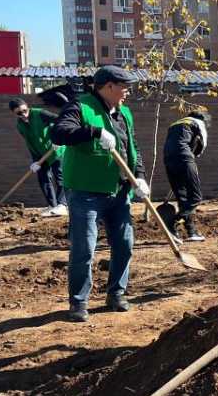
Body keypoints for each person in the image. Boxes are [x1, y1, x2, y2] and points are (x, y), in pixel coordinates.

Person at [50, 65, 148, 322]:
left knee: (125, 244)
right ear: (108, 86)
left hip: (119, 193)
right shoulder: (80, 107)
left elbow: (132, 147)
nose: (127, 91)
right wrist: (93, 132)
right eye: (124, 86)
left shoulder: (125, 113)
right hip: (85, 193)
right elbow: (59, 133)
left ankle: (116, 293)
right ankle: (79, 302)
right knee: (84, 249)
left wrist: (139, 176)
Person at [9, 98, 67, 216]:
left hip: (56, 150)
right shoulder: (20, 125)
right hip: (40, 154)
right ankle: (52, 205)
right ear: (14, 113)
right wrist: (35, 161)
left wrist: (59, 138)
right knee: (43, 178)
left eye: (25, 110)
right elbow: (30, 143)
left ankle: (62, 205)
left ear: (27, 107)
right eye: (19, 113)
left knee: (60, 176)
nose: (24, 114)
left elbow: (61, 120)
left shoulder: (40, 113)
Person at [163, 111, 211, 241]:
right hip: (184, 158)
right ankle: (171, 222)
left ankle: (191, 232)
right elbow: (203, 143)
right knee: (195, 197)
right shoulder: (197, 122)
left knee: (183, 198)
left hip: (168, 159)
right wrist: (194, 156)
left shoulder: (174, 125)